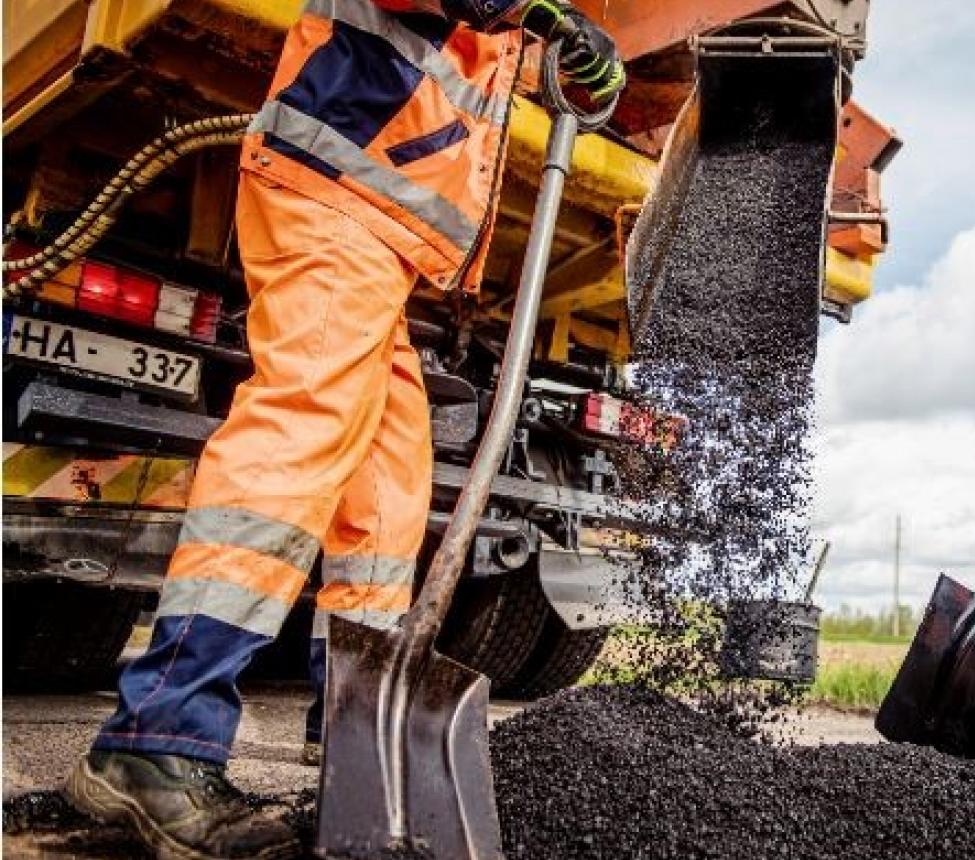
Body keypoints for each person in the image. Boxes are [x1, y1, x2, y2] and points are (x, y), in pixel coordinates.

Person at [61, 1, 623, 857]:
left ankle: (356, 728)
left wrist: (564, 44)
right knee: (300, 434)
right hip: (331, 195)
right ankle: (156, 742)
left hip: (382, 237)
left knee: (387, 488)